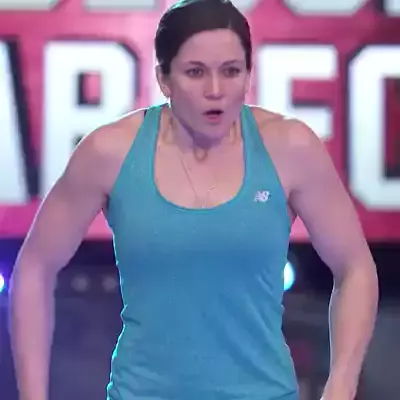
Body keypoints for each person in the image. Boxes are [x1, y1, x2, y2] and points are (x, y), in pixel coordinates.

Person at [9, 0, 378, 399]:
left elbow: (355, 266)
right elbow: (35, 267)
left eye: (231, 71)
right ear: (164, 79)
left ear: (248, 74)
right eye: (195, 72)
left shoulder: (289, 147)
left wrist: (341, 384)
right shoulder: (110, 152)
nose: (215, 90)